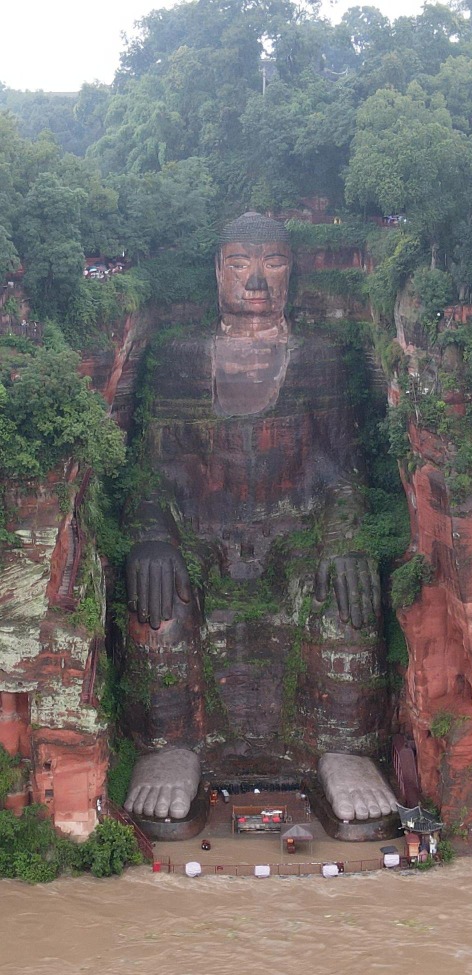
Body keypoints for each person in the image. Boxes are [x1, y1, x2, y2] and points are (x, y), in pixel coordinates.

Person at [123, 212, 386, 823]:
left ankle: (341, 747)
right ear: (217, 272)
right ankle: (170, 747)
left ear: (293, 272)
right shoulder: (179, 361)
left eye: (274, 264)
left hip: (294, 542)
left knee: (346, 593)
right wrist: (153, 536)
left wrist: (344, 539)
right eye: (240, 264)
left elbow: (345, 474)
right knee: (158, 598)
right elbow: (148, 475)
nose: (258, 281)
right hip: (200, 542)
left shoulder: (320, 359)